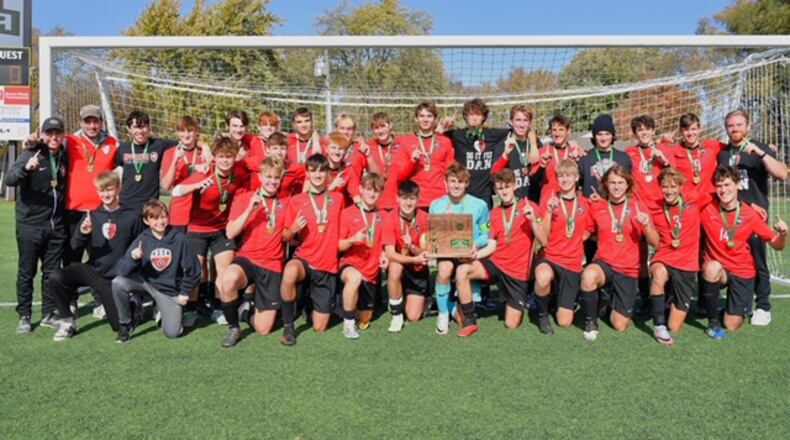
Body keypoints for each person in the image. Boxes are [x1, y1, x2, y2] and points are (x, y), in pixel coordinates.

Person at [48, 172, 143, 341]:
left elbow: (141, 247)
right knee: (56, 276)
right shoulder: (91, 215)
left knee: (117, 325)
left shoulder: (132, 216)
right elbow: (74, 249)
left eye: (109, 189)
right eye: (101, 190)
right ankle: (68, 322)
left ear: (119, 189)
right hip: (94, 272)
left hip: (116, 279)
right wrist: (83, 234)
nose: (105, 194)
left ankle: (134, 305)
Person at [716, 109, 788, 326]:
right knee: (731, 258)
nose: (734, 129)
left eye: (739, 125)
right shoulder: (723, 153)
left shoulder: (759, 148)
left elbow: (782, 173)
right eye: (730, 125)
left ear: (747, 127)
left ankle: (764, 306)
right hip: (729, 216)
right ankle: (736, 301)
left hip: (755, 217)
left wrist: (762, 154)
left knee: (758, 260)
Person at [454, 169, 544, 337]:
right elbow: (491, 246)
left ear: (515, 186)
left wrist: (532, 222)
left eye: (507, 187)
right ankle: (470, 320)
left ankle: (511, 300)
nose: (504, 191)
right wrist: (472, 256)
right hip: (496, 264)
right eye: (499, 188)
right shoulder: (494, 214)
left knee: (511, 324)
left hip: (517, 273)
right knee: (462, 270)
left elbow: (544, 240)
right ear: (495, 190)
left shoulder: (529, 207)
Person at [699, 166, 787, 338]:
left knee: (732, 325)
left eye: (727, 184)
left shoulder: (750, 215)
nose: (723, 190)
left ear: (738, 185)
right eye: (719, 185)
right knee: (711, 267)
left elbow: (777, 245)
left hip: (742, 271)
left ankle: (732, 308)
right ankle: (713, 323)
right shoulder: (707, 209)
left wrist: (784, 234)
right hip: (720, 269)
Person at [172, 136, 250, 320]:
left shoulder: (238, 173)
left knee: (224, 270)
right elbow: (175, 192)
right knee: (196, 272)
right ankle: (193, 308)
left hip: (221, 230)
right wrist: (196, 185)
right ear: (214, 157)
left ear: (234, 157)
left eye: (229, 157)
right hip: (197, 229)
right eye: (221, 156)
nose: (225, 160)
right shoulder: (204, 173)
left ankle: (219, 308)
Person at [579, 165, 658, 341]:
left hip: (628, 269)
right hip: (604, 263)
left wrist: (647, 226)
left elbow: (655, 242)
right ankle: (591, 321)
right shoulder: (597, 207)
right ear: (605, 184)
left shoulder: (638, 207)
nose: (616, 187)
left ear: (628, 184)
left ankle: (606, 305)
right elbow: (585, 234)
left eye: (621, 182)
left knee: (620, 325)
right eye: (612, 182)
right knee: (588, 275)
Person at [6, 117, 68, 333]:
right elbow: (10, 180)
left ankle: (48, 314)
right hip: (30, 225)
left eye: (57, 133)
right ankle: (24, 315)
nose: (54, 137)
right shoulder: (30, 153)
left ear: (62, 135)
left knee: (51, 272)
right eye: (49, 133)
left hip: (55, 226)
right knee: (27, 271)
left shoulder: (64, 155)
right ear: (42, 134)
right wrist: (26, 168)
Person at [216, 158, 287, 347]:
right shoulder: (244, 198)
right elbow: (230, 232)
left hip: (272, 265)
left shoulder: (286, 203)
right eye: (269, 177)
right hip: (248, 259)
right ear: (260, 176)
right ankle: (234, 327)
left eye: (276, 178)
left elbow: (289, 234)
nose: (272, 181)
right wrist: (249, 209)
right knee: (228, 278)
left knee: (263, 330)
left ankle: (245, 312)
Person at [279, 154, 345, 346]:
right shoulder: (297, 201)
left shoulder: (338, 199)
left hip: (326, 265)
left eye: (322, 170)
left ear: (327, 174)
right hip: (305, 259)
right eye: (313, 170)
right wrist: (293, 230)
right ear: (307, 173)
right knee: (290, 271)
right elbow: (285, 236)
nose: (317, 174)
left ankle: (309, 303)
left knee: (319, 327)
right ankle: (288, 326)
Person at [112, 200, 201, 343]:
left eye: (163, 217)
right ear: (146, 221)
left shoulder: (180, 239)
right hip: (145, 283)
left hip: (168, 290)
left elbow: (194, 270)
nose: (160, 221)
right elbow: (121, 270)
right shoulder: (142, 239)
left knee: (172, 333)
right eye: (154, 218)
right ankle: (126, 323)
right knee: (118, 283)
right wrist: (133, 258)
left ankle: (165, 310)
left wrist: (185, 292)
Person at [61, 105, 120, 315]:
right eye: (88, 121)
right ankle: (71, 298)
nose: (92, 125)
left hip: (100, 211)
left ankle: (100, 299)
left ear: (102, 122)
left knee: (99, 258)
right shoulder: (69, 141)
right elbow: (46, 147)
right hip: (74, 209)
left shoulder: (112, 144)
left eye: (95, 121)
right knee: (71, 257)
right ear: (80, 123)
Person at [428, 162, 490, 336]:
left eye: (461, 182)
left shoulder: (479, 205)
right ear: (446, 182)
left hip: (469, 253)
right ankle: (443, 313)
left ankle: (455, 305)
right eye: (453, 181)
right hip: (447, 253)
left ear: (467, 183)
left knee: (464, 317)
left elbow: (486, 233)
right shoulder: (436, 205)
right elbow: (433, 235)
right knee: (445, 268)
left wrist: (476, 245)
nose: (456, 185)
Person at [648, 167, 707, 346]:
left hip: (687, 264)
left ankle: (669, 303)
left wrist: (751, 205)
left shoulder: (695, 200)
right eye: (665, 187)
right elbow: (653, 242)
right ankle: (658, 325)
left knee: (675, 326)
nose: (669, 190)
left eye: (674, 186)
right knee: (658, 273)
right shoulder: (655, 207)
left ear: (681, 187)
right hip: (664, 257)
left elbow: (722, 195)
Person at [533, 159, 591, 331]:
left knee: (564, 322)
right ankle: (542, 315)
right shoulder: (549, 201)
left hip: (572, 262)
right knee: (543, 277)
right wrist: (549, 213)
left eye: (568, 175)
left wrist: (578, 239)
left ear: (576, 178)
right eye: (561, 176)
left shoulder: (586, 203)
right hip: (550, 256)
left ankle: (564, 298)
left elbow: (591, 229)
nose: (564, 179)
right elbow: (543, 237)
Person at [338, 173, 388, 339]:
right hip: (350, 265)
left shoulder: (384, 216)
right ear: (360, 189)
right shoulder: (347, 213)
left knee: (365, 318)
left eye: (376, 191)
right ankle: (348, 324)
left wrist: (383, 255)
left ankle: (344, 305)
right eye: (368, 189)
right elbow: (339, 245)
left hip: (372, 271)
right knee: (354, 278)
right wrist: (352, 240)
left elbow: (385, 245)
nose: (372, 194)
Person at [442, 98, 512, 207]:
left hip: (484, 195)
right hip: (462, 193)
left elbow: (519, 130)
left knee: (484, 224)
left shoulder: (492, 134)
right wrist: (444, 125)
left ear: (483, 117)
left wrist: (512, 123)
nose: (474, 118)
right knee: (464, 224)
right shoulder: (457, 135)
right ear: (465, 116)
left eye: (478, 114)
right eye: (471, 114)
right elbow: (435, 136)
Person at [382, 180, 431, 332]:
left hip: (418, 270)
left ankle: (422, 298)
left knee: (414, 317)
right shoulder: (390, 218)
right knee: (395, 267)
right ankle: (396, 315)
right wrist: (413, 258)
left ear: (418, 199)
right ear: (397, 198)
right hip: (402, 265)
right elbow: (390, 253)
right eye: (404, 198)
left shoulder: (425, 218)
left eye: (412, 198)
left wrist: (412, 247)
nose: (408, 203)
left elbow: (428, 253)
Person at [393, 102, 455, 210]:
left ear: (435, 119)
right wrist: (412, 162)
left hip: (440, 201)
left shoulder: (445, 142)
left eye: (429, 116)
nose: (425, 120)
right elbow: (399, 176)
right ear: (416, 119)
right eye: (421, 116)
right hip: (416, 201)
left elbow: (450, 172)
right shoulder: (406, 142)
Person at [116, 110, 178, 212]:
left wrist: (205, 146)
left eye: (143, 126)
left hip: (150, 206)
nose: (140, 131)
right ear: (129, 129)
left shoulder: (158, 145)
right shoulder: (122, 148)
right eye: (136, 127)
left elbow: (185, 142)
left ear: (149, 127)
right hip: (125, 205)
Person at [160, 116, 212, 232]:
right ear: (178, 132)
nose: (186, 134)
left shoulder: (203, 152)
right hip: (179, 213)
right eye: (182, 131)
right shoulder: (170, 153)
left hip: (201, 214)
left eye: (190, 130)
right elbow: (165, 186)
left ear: (197, 132)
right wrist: (174, 162)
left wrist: (205, 148)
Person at [491, 105, 542, 200]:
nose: (522, 125)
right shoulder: (504, 144)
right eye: (518, 120)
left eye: (525, 120)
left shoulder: (536, 144)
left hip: (535, 201)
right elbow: (494, 174)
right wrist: (505, 155)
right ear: (511, 121)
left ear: (530, 123)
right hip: (513, 203)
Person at [323, 132, 364, 206]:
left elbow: (355, 195)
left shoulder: (348, 169)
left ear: (345, 151)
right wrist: (331, 187)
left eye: (341, 149)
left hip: (338, 208)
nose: (337, 152)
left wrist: (364, 211)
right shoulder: (319, 167)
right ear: (326, 149)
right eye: (333, 148)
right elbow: (309, 195)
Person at [266, 132, 304, 198]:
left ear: (287, 150)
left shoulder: (293, 168)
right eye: (275, 148)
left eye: (283, 148)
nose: (279, 152)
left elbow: (310, 174)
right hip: (262, 205)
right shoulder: (258, 165)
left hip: (284, 205)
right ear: (268, 150)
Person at [227, 109, 265, 174]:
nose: (238, 130)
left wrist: (241, 161)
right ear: (227, 126)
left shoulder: (249, 142)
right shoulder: (222, 144)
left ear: (246, 127)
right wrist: (238, 159)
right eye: (235, 126)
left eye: (242, 126)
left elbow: (260, 162)